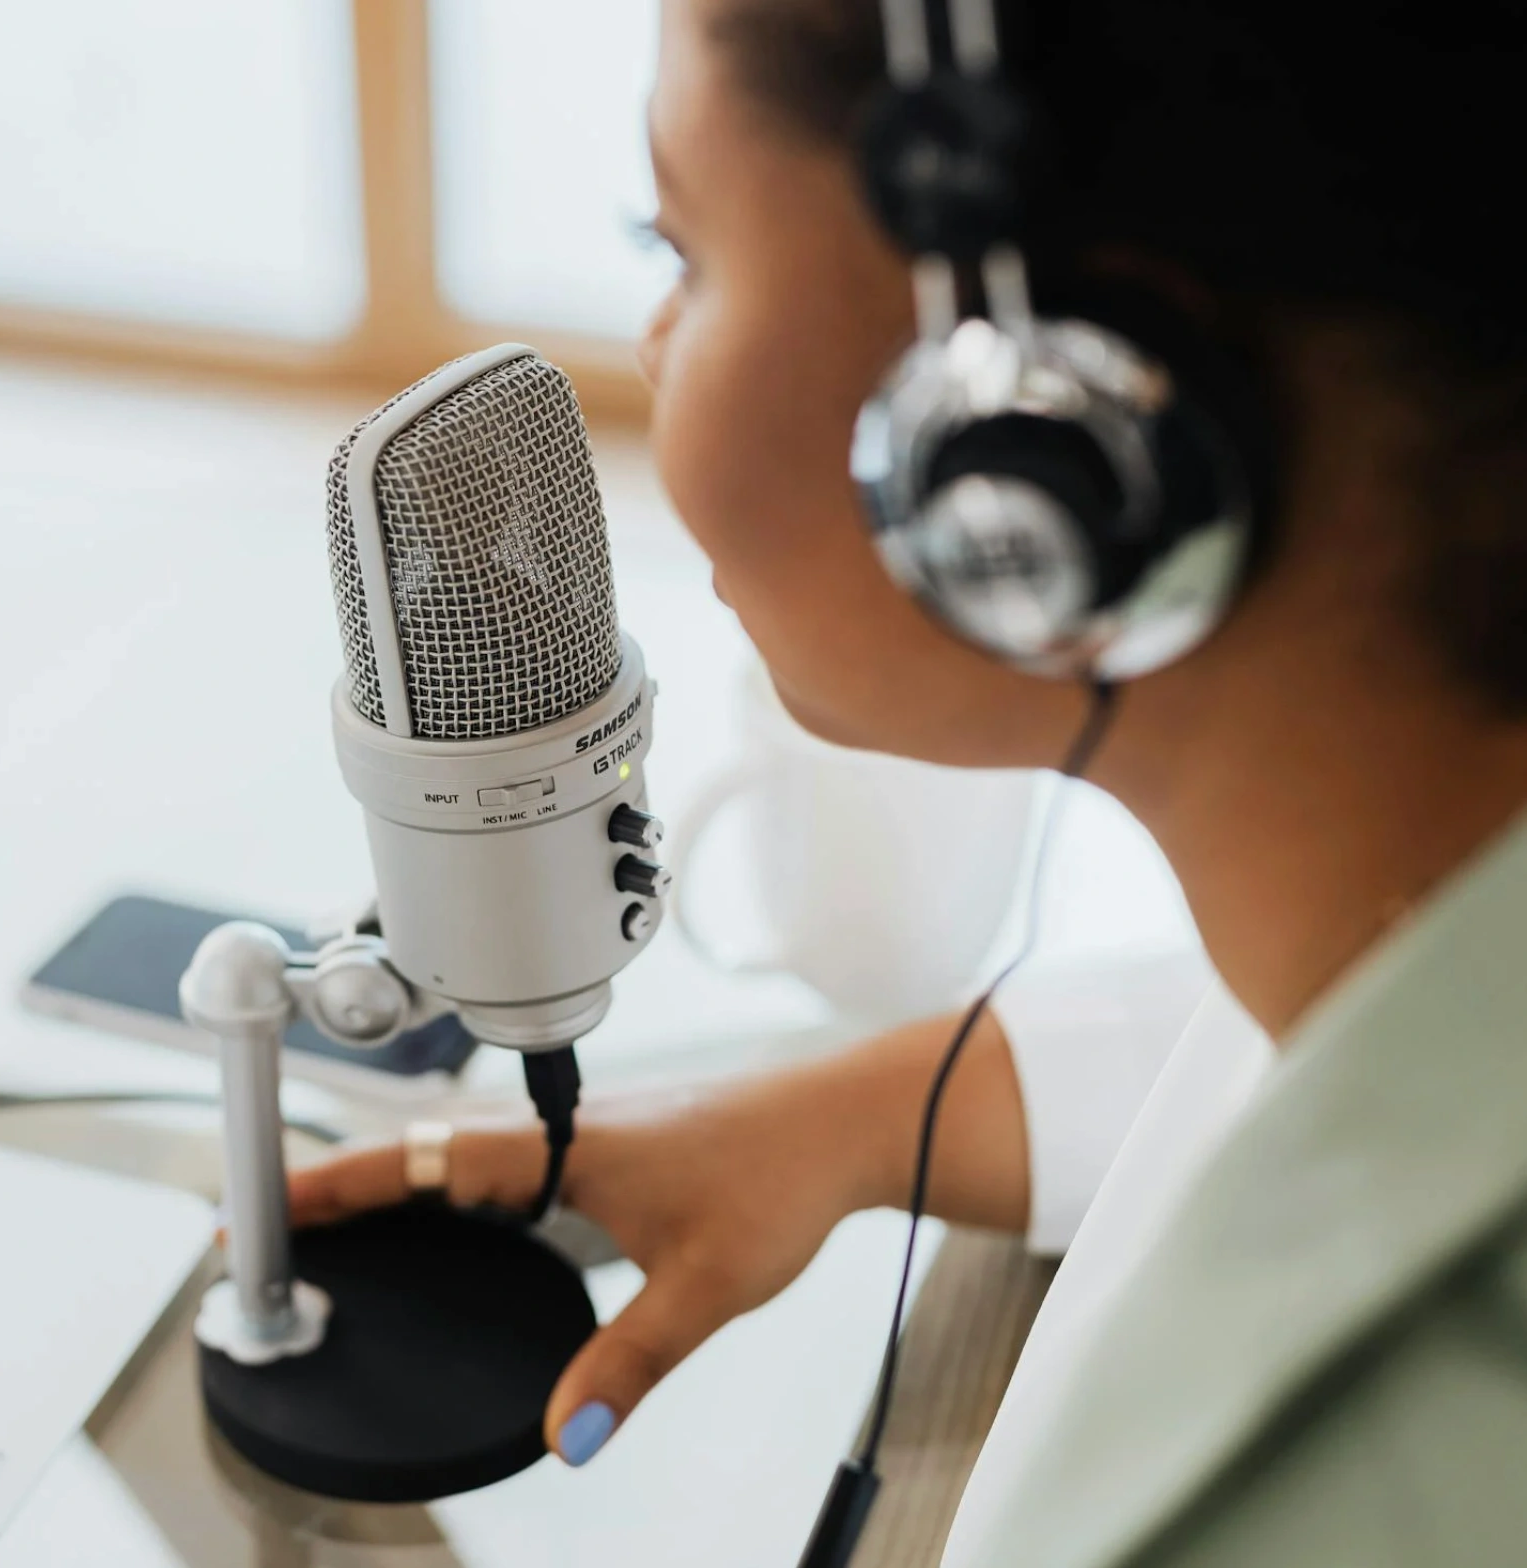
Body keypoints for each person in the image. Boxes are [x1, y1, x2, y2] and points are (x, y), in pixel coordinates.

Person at [292, 1, 1527, 1563]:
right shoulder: (1411, 907)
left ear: (1026, 422)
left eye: (682, 251)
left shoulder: (1364, 1489)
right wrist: (841, 1123)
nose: (650, 346)